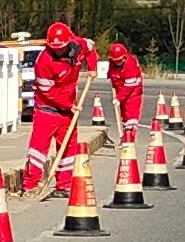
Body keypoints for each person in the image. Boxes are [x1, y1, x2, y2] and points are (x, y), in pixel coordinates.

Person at [19, 20, 93, 193]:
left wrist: (92, 67)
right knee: (38, 149)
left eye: (61, 47)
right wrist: (68, 105)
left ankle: (64, 183)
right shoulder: (43, 62)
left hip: (68, 111)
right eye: (54, 47)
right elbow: (47, 92)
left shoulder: (77, 45)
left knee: (68, 147)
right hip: (47, 110)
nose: (58, 50)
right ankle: (30, 184)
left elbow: (90, 48)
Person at [103, 36, 147, 145]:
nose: (118, 62)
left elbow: (129, 86)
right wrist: (110, 76)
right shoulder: (113, 62)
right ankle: (125, 136)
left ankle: (129, 138)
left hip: (133, 92)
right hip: (120, 90)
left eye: (119, 60)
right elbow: (112, 71)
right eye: (115, 61)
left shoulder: (130, 64)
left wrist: (118, 98)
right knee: (123, 116)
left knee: (131, 116)